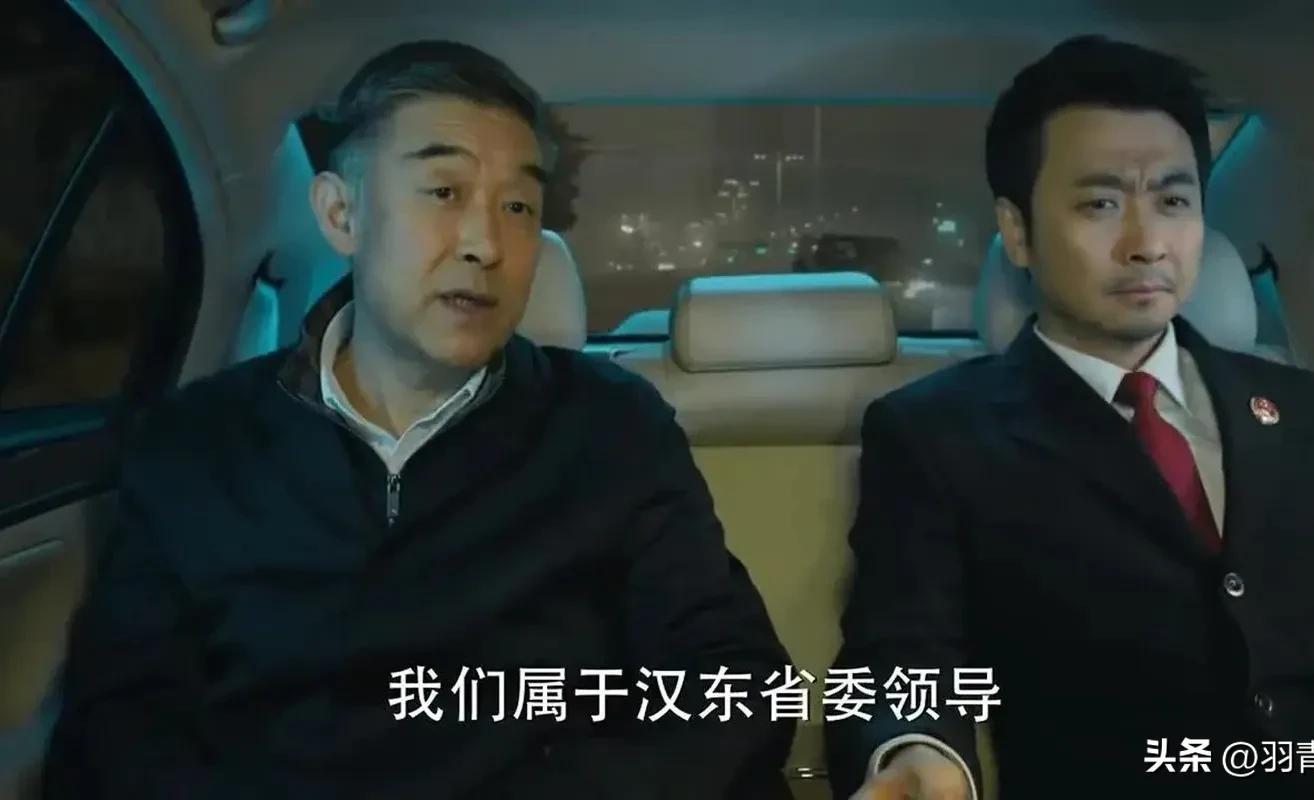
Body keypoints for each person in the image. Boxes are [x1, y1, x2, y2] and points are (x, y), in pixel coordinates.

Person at [44, 40, 792, 799]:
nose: (485, 244)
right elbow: (118, 727)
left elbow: (738, 683)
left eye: (518, 207)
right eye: (443, 191)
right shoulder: (197, 442)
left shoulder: (611, 426)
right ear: (341, 213)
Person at [828, 35, 1314, 800]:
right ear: (1017, 231)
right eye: (1099, 204)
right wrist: (918, 752)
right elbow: (903, 653)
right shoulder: (934, 433)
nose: (1145, 244)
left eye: (1173, 201)